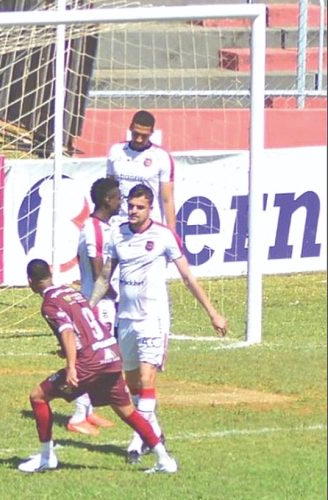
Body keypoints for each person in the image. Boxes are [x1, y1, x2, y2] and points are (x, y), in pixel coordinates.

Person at [89, 184, 228, 463]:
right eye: (130, 206)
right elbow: (105, 277)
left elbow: (188, 277)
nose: (133, 211)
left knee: (146, 378)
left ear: (150, 208)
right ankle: (155, 432)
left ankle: (136, 441)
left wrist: (213, 313)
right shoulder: (118, 234)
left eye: (139, 207)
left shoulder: (163, 236)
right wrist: (88, 308)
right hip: (125, 318)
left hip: (153, 318)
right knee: (131, 383)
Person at [19, 258, 177, 474]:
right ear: (51, 274)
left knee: (38, 396)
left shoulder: (49, 304)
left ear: (30, 281)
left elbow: (67, 331)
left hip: (89, 362)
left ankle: (46, 457)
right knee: (127, 410)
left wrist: (72, 365)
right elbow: (84, 324)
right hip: (111, 354)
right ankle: (164, 459)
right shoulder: (71, 292)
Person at [65, 177, 123, 436]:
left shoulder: (102, 226)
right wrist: (108, 290)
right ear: (107, 200)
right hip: (96, 303)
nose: (121, 201)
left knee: (99, 359)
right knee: (92, 359)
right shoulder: (94, 229)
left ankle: (87, 411)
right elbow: (97, 264)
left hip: (102, 302)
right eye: (118, 197)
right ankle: (78, 415)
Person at [106, 110, 176, 231]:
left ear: (151, 133)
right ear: (130, 128)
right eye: (136, 134)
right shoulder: (116, 151)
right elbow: (109, 189)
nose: (139, 139)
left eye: (144, 136)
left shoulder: (161, 157)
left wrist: (172, 232)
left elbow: (167, 199)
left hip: (149, 226)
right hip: (120, 222)